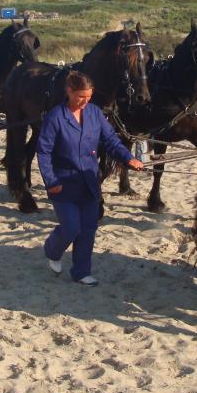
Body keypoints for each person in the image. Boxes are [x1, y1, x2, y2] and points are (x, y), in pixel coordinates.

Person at [36, 71, 144, 287]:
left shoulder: (95, 113)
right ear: (69, 91)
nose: (85, 101)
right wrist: (51, 181)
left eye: (89, 96)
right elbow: (44, 151)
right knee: (71, 227)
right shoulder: (56, 117)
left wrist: (128, 158)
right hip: (63, 184)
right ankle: (52, 249)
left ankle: (81, 271)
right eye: (80, 97)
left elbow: (111, 141)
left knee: (88, 229)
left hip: (89, 182)